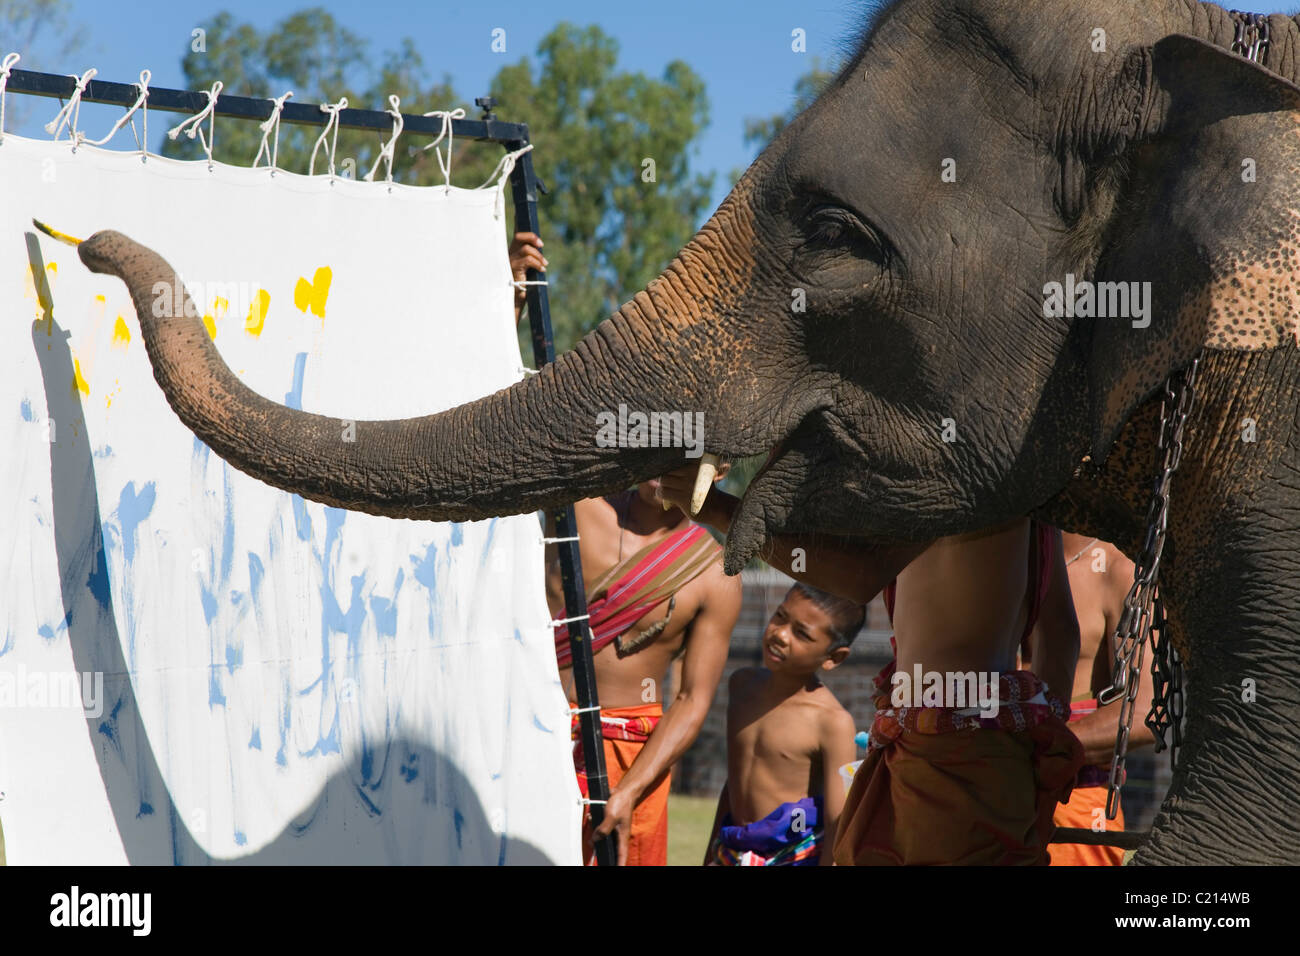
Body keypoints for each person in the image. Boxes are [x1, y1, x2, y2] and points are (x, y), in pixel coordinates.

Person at [658, 466, 1083, 866]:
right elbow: (1059, 631)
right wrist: (1038, 750)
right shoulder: (1029, 480)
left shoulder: (958, 465)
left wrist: (719, 510)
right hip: (987, 748)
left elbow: (859, 575)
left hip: (954, 754)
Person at [547, 472, 742, 866]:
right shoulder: (572, 503)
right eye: (656, 445)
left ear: (716, 470)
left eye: (682, 454)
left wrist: (629, 791)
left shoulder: (714, 573)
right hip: (536, 732)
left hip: (632, 760)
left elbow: (691, 701)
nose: (664, 464)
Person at [703, 583, 860, 866]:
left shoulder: (833, 722)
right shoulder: (741, 685)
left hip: (794, 857)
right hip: (731, 852)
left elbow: (839, 823)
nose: (780, 634)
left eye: (801, 633)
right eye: (779, 616)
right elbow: (734, 784)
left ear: (834, 658)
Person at [1047, 533, 1155, 866]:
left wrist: (1035, 748)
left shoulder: (1119, 569)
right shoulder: (1001, 551)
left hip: (1075, 805)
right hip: (981, 794)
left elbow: (1144, 713)